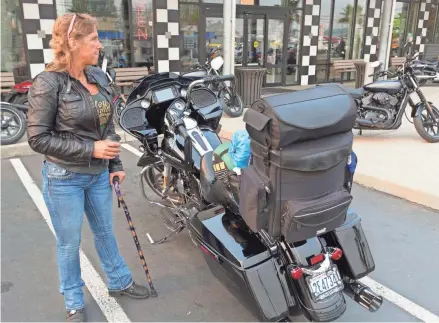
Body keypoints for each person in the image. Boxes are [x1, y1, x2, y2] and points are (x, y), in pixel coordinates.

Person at [27, 13, 149, 322]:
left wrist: (115, 163)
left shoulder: (98, 77)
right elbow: (38, 138)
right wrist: (90, 148)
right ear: (73, 42)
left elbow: (106, 127)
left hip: (98, 175)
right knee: (69, 244)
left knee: (105, 232)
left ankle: (119, 282)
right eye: (93, 39)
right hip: (63, 177)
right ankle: (73, 300)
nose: (99, 44)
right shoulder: (49, 82)